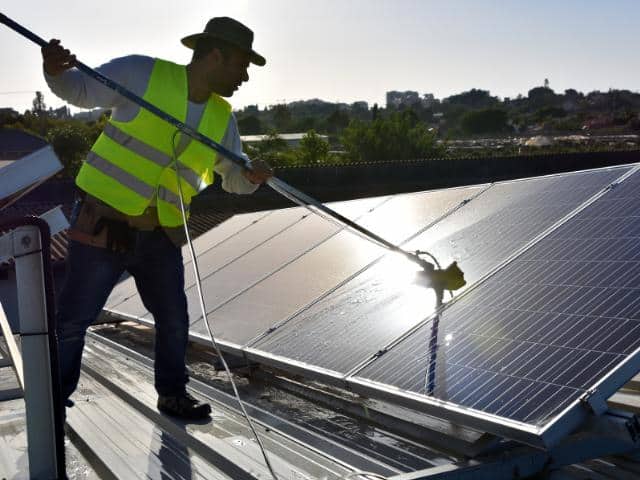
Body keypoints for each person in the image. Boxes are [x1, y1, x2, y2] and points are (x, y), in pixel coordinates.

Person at [42, 17, 273, 420]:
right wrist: (54, 69)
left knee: (174, 321)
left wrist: (251, 175)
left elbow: (234, 179)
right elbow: (77, 89)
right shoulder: (141, 73)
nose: (245, 77)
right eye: (241, 64)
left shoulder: (222, 118)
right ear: (215, 55)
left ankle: (172, 395)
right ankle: (54, 404)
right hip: (103, 223)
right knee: (74, 320)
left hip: (160, 234)